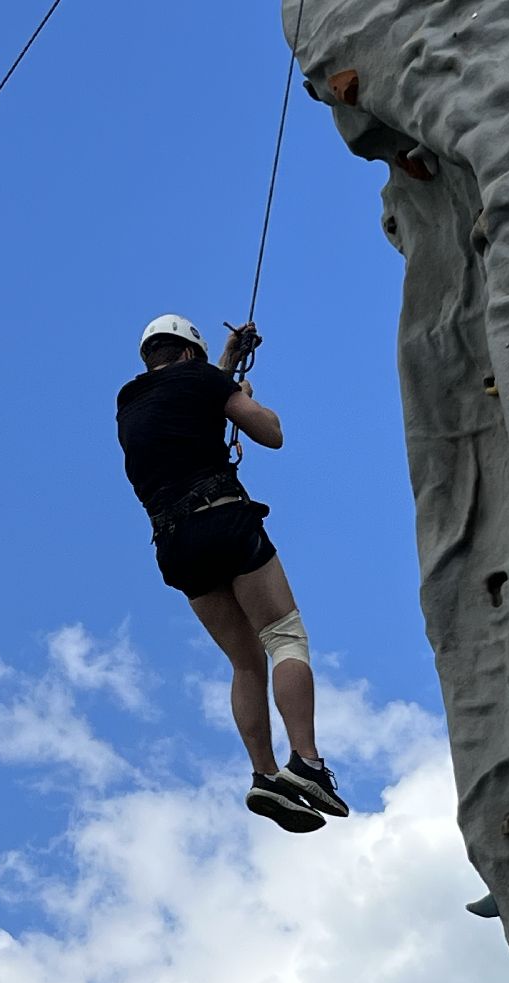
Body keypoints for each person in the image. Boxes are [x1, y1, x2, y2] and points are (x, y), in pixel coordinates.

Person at [115, 313, 349, 832]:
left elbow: (186, 397)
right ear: (189, 353)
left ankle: (264, 776)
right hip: (222, 518)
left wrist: (225, 367)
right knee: (284, 637)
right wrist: (241, 394)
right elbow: (270, 435)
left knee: (246, 663)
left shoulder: (128, 402)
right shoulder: (204, 380)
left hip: (174, 544)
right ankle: (307, 763)